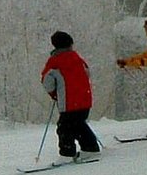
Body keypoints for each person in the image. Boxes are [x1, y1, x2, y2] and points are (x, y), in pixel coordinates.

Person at [40, 30, 101, 163]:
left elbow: (46, 81)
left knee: (64, 127)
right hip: (85, 100)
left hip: (69, 102)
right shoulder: (78, 58)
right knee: (79, 124)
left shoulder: (54, 62)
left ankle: (67, 154)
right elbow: (87, 73)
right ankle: (90, 148)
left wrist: (54, 93)